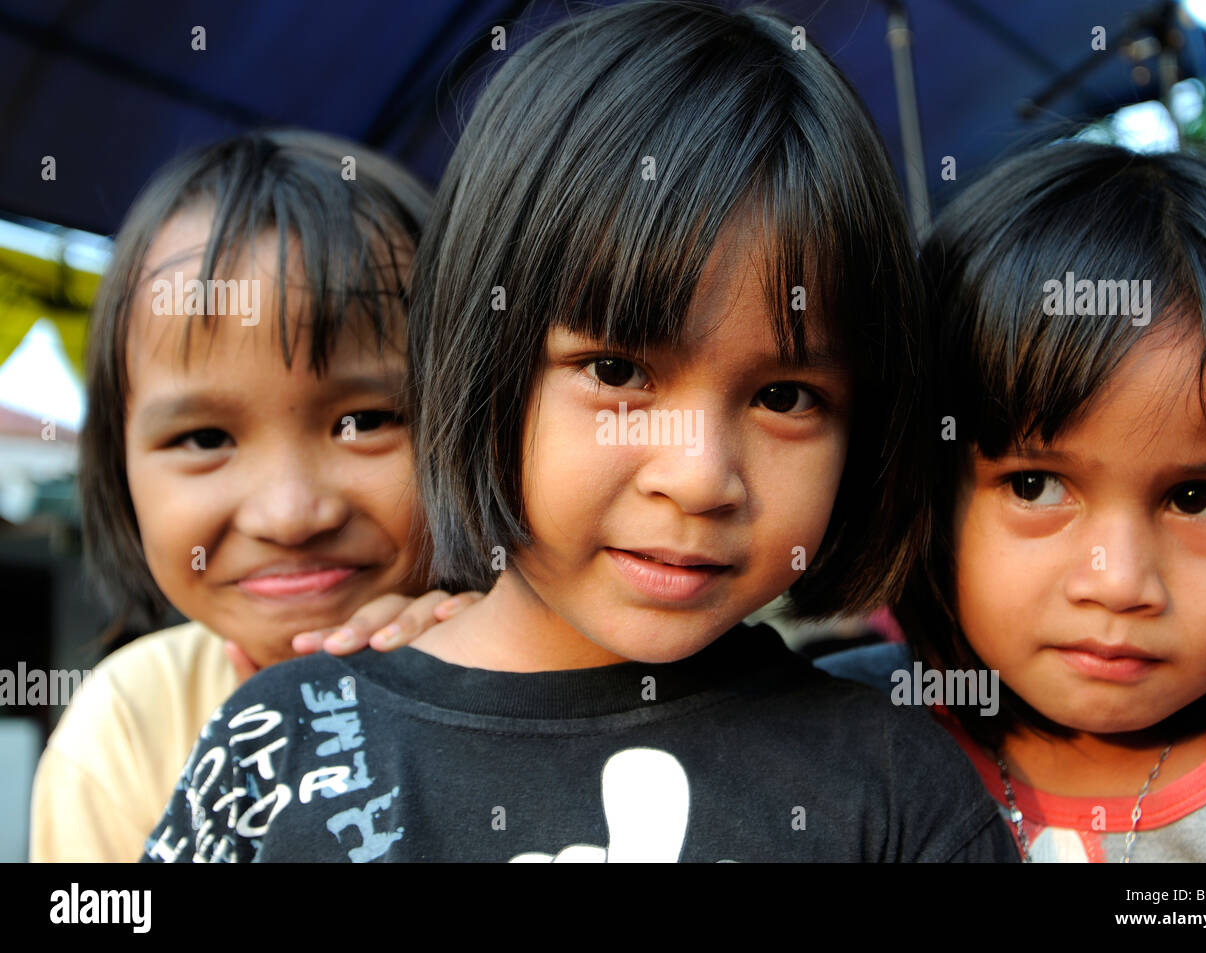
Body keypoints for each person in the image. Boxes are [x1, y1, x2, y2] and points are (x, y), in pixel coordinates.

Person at [141, 1, 1015, 863]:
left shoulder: (895, 787)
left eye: (785, 396)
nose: (701, 475)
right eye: (616, 371)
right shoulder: (280, 747)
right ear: (481, 360)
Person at [820, 141, 1206, 861]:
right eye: (1035, 485)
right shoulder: (818, 739)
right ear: (927, 490)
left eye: (1197, 497)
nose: (1117, 583)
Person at [30, 129, 451, 862]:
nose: (289, 513)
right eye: (203, 439)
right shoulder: (127, 727)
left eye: (368, 421)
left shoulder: (549, 677)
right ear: (116, 467)